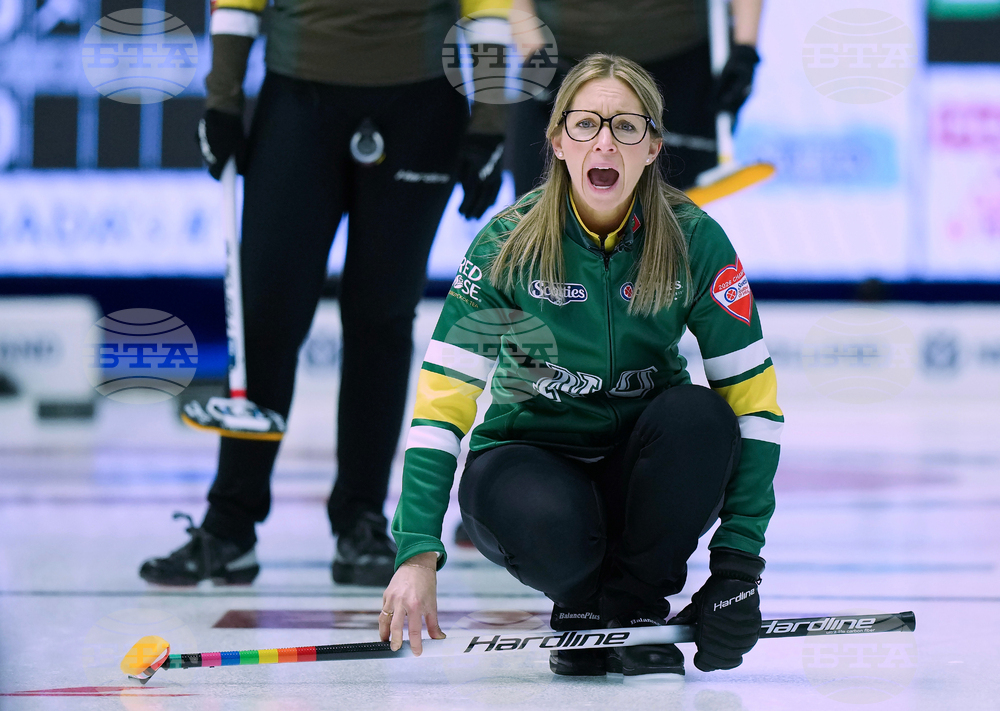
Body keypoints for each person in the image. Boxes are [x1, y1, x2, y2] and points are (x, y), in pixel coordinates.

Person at [380, 54, 782, 679]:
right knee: (542, 514)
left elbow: (754, 405)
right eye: (587, 123)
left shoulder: (696, 240)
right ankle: (597, 606)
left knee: (702, 418)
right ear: (558, 141)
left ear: (652, 147)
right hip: (531, 463)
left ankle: (624, 610)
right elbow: (441, 406)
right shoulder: (504, 245)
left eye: (626, 126)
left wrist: (738, 570)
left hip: (646, 475)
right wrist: (416, 554)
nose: (605, 141)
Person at [138, 0, 510, 587]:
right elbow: (239, 3)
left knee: (382, 319)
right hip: (299, 100)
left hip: (420, 106)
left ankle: (361, 519)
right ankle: (230, 524)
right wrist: (222, 97)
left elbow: (487, 11)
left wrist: (490, 118)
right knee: (266, 318)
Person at [507, 0, 764, 195]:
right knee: (541, 204)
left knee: (671, 219)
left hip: (680, 64)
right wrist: (536, 57)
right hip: (564, 59)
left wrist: (744, 49)